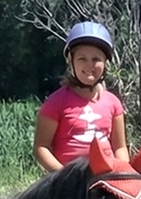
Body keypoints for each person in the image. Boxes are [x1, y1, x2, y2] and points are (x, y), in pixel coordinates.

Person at [33, 21, 130, 172]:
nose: (89, 65)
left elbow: (120, 147)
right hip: (69, 181)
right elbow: (41, 147)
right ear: (70, 61)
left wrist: (122, 171)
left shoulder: (113, 103)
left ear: (105, 63)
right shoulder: (55, 103)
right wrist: (63, 176)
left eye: (96, 59)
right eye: (82, 59)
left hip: (106, 178)